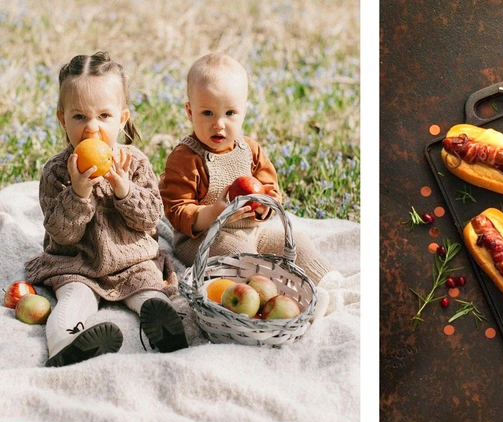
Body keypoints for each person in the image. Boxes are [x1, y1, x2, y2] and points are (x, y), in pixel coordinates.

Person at [25, 51, 188, 368]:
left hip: (131, 260)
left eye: (103, 116)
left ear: (122, 118)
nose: (91, 129)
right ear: (62, 119)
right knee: (74, 300)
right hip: (78, 263)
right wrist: (78, 191)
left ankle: (166, 330)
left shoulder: (135, 163)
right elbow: (61, 232)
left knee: (149, 292)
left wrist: (124, 189)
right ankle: (67, 345)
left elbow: (150, 218)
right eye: (79, 117)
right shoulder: (57, 172)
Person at [159, 52, 335, 295]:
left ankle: (330, 286)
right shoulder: (185, 158)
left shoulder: (249, 149)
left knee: (296, 242)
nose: (219, 124)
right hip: (205, 238)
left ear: (244, 112)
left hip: (252, 229)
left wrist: (264, 206)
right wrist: (213, 212)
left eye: (230, 113)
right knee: (240, 257)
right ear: (190, 112)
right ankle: (270, 295)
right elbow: (177, 211)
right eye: (207, 113)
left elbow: (269, 188)